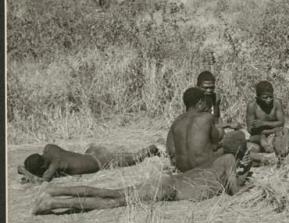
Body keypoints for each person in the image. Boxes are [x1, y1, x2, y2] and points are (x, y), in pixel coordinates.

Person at [32, 131, 253, 215]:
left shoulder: (217, 158)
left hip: (168, 183)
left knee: (113, 194)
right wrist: (249, 184)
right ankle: (51, 203)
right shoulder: (229, 160)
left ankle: (55, 192)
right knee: (113, 200)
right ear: (240, 149)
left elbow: (219, 180)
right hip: (170, 189)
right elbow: (234, 191)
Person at [18, 143, 160, 184]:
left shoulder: (55, 164)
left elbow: (42, 182)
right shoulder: (49, 148)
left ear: (43, 167)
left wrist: (24, 171)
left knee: (135, 158)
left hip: (101, 161)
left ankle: (153, 148)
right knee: (125, 154)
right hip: (91, 153)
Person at [166, 87, 225, 172]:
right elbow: (216, 143)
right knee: (231, 147)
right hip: (203, 169)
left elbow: (171, 151)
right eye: (205, 102)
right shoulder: (206, 117)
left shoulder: (176, 121)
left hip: (183, 170)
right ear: (200, 103)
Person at [246, 81, 285, 164]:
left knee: (281, 136)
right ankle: (265, 155)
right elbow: (250, 129)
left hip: (274, 134)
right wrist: (264, 133)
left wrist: (263, 123)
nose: (269, 100)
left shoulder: (277, 103)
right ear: (257, 97)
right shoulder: (252, 106)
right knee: (255, 146)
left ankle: (273, 154)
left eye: (271, 97)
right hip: (258, 136)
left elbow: (281, 122)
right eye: (265, 97)